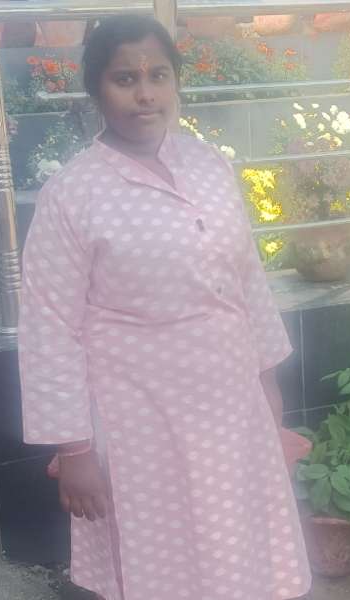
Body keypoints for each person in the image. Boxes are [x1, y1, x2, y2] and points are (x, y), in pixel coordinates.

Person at [18, 14, 311, 600]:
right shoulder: (73, 194)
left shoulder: (208, 164)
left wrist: (268, 383)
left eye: (158, 75)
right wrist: (73, 450)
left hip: (230, 403)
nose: (145, 93)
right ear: (96, 88)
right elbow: (50, 326)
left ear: (177, 81)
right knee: (165, 556)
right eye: (125, 78)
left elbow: (246, 277)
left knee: (237, 542)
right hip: (141, 419)